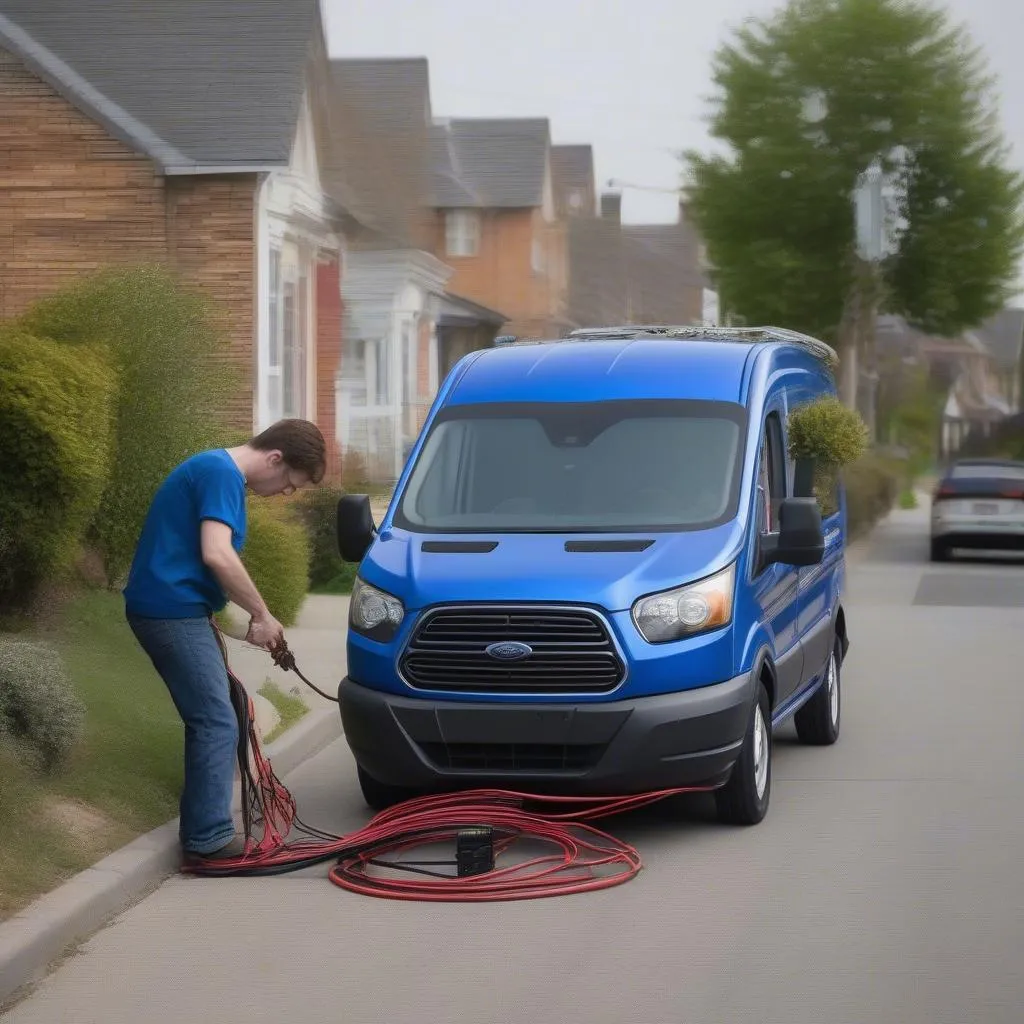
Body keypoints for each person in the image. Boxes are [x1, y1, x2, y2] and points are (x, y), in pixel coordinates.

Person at [123, 419, 326, 863]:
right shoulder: (221, 475)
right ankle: (207, 840)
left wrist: (248, 623)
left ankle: (212, 824)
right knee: (215, 719)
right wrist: (261, 613)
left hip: (179, 609)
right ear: (275, 459)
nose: (283, 493)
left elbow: (201, 563)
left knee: (226, 710)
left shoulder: (214, 470)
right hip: (170, 611)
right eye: (289, 484)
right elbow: (217, 553)